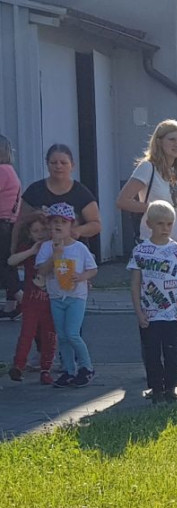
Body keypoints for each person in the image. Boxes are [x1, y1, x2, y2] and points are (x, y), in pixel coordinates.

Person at [128, 201, 177, 404]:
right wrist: (139, 313)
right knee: (152, 353)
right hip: (150, 314)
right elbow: (135, 285)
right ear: (149, 224)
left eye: (169, 224)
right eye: (160, 224)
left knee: (173, 352)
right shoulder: (141, 251)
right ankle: (156, 389)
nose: (164, 228)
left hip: (174, 314)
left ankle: (171, 389)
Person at [34, 202, 97, 388]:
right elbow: (41, 271)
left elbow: (92, 269)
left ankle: (87, 367)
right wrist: (55, 255)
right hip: (56, 296)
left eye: (63, 222)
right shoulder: (47, 247)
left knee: (72, 333)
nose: (58, 226)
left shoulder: (79, 248)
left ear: (71, 226)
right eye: (54, 223)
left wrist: (82, 276)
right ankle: (69, 370)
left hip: (76, 296)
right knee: (61, 336)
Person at [116, 119, 177, 246]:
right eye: (172, 139)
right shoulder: (147, 167)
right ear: (159, 142)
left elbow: (172, 194)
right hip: (154, 241)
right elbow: (122, 201)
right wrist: (156, 210)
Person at [16, 144, 101, 264]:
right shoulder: (34, 190)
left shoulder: (82, 193)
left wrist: (77, 230)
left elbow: (96, 224)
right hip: (39, 253)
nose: (58, 166)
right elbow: (20, 221)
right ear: (47, 164)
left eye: (63, 162)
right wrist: (35, 215)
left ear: (72, 165)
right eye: (54, 162)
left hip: (72, 254)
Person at [7, 212, 55, 383]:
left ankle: (45, 369)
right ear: (29, 233)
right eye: (35, 231)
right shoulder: (29, 250)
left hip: (51, 299)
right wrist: (31, 251)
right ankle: (18, 366)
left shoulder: (54, 247)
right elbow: (11, 261)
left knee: (49, 335)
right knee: (27, 333)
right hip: (31, 299)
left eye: (43, 230)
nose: (40, 234)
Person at [0, 134, 22, 319]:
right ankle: (11, 305)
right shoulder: (10, 171)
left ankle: (20, 298)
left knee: (4, 265)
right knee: (8, 264)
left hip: (2, 223)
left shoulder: (2, 171)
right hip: (8, 223)